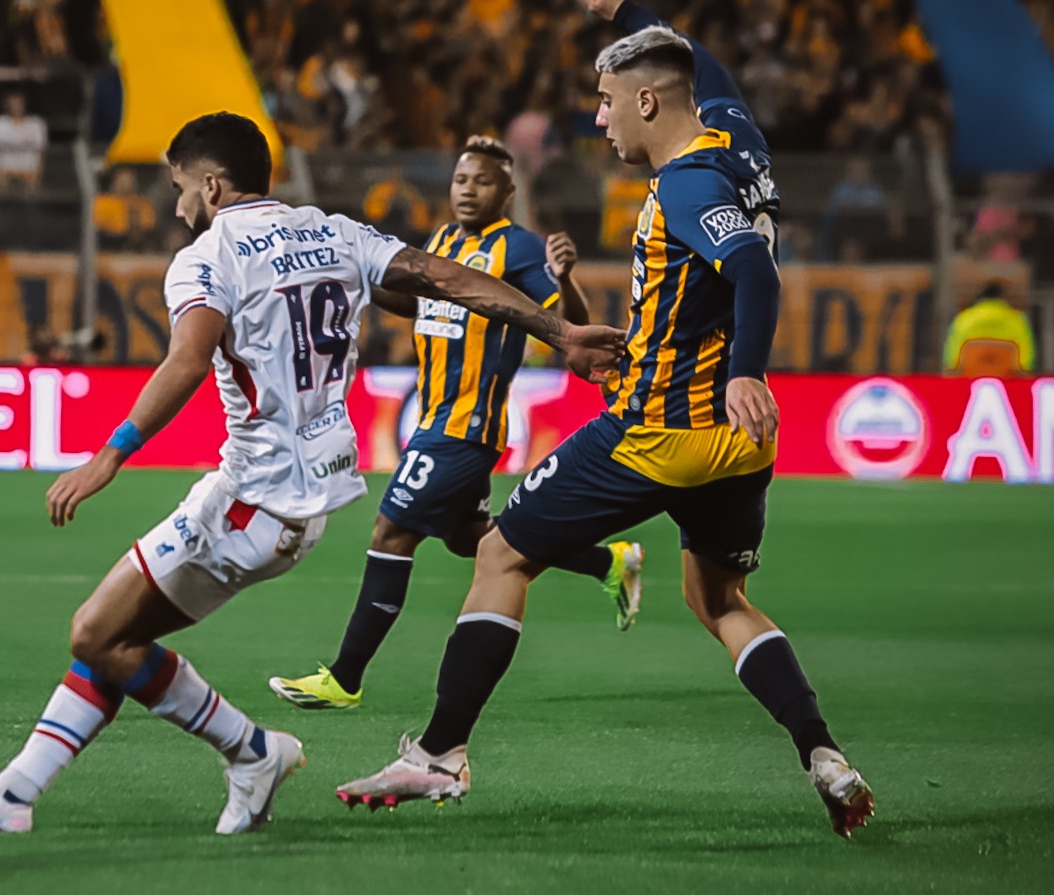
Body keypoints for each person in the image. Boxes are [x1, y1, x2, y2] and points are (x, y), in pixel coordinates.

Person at [0, 111, 626, 835]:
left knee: (93, 631)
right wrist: (557, 328)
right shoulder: (333, 232)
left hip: (250, 497)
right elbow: (446, 277)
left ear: (212, 185)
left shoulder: (210, 255)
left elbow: (186, 358)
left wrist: (109, 453)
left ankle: (250, 750)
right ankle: (17, 794)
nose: (176, 203)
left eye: (180, 187)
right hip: (303, 504)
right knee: (112, 639)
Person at [335, 2, 876, 841]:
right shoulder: (736, 138)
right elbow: (701, 66)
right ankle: (821, 752)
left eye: (605, 99)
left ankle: (440, 752)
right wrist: (623, 11)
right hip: (738, 445)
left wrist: (742, 372)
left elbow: (754, 274)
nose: (598, 116)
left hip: (659, 428)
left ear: (649, 103)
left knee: (498, 552)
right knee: (720, 596)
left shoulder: (688, 181)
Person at [268, 135, 645, 713]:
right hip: (434, 418)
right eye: (461, 180)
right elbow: (420, 303)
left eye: (483, 181)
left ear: (508, 192)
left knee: (390, 534)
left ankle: (345, 678)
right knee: (473, 539)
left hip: (465, 427)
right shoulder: (442, 242)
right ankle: (610, 561)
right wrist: (352, 280)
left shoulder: (518, 248)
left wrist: (564, 279)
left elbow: (571, 325)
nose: (468, 190)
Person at [943, 281, 1037, 376]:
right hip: (1008, 380)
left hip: (969, 379)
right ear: (1002, 298)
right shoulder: (1018, 320)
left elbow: (952, 358)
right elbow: (1025, 361)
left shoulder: (964, 319)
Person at [0, 92, 48, 190]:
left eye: (19, 102)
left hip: (29, 176)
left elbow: (40, 154)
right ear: (6, 104)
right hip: (5, 176)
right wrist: (0, 181)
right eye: (12, 102)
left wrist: (33, 182)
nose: (16, 106)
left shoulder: (36, 124)